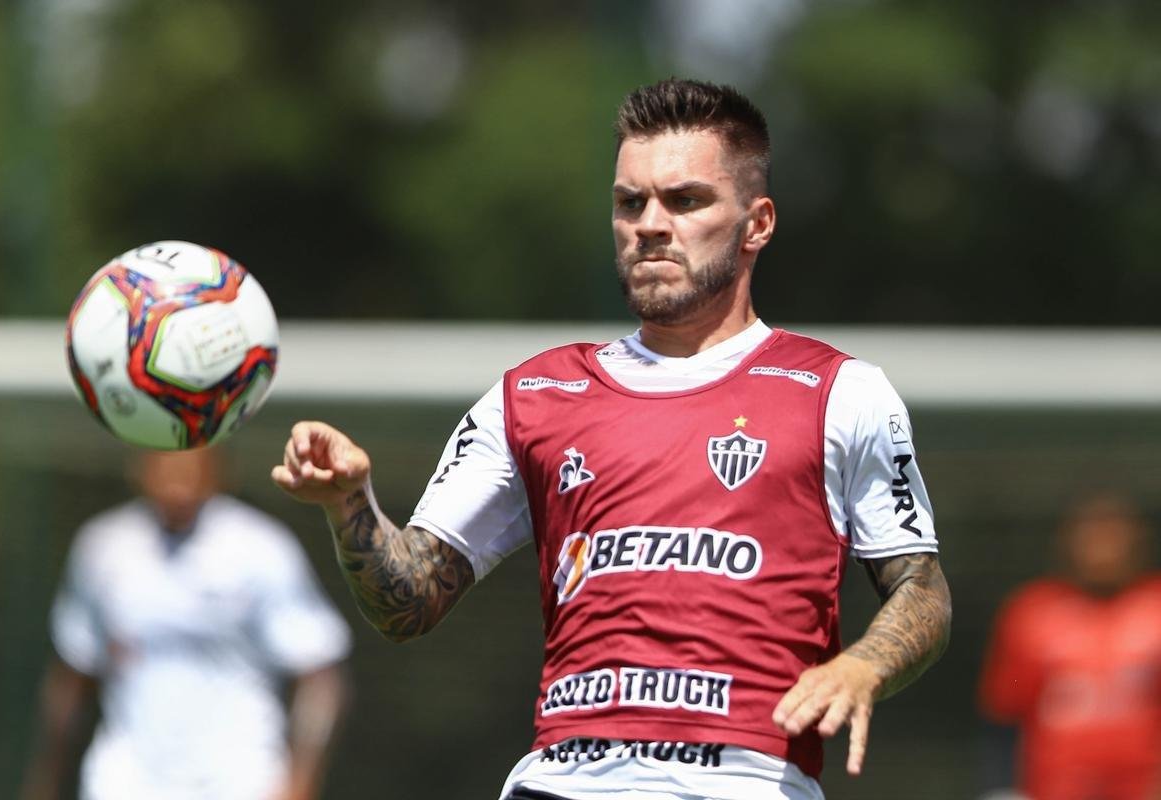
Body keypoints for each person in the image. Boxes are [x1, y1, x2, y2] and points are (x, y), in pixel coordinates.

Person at [271, 77, 952, 799]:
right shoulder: (531, 395)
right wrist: (349, 503)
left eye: (684, 201)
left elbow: (922, 589)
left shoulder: (839, 392)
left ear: (757, 224)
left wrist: (863, 664)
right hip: (562, 781)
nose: (649, 224)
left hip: (744, 782)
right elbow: (406, 601)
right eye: (630, 203)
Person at [22, 447, 352, 800]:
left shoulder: (261, 548)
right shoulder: (102, 548)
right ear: (141, 467)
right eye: (166, 459)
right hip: (126, 783)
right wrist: (44, 782)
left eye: (190, 460)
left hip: (240, 782)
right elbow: (73, 673)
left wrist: (300, 783)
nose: (177, 476)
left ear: (217, 469)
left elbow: (320, 674)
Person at [978, 492, 1161, 800]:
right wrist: (1002, 789)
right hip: (1054, 787)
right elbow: (1005, 715)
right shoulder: (1031, 612)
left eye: (1114, 534)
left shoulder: (1154, 605)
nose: (1103, 548)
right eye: (1092, 535)